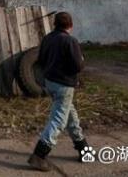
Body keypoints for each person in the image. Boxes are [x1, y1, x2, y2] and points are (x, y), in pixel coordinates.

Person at [27, 11, 89, 172]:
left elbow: (40, 61)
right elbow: (78, 66)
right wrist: (81, 60)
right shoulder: (70, 41)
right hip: (64, 85)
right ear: (71, 25)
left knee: (70, 115)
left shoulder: (48, 38)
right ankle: (39, 155)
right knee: (59, 120)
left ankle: (84, 151)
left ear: (55, 24)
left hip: (50, 83)